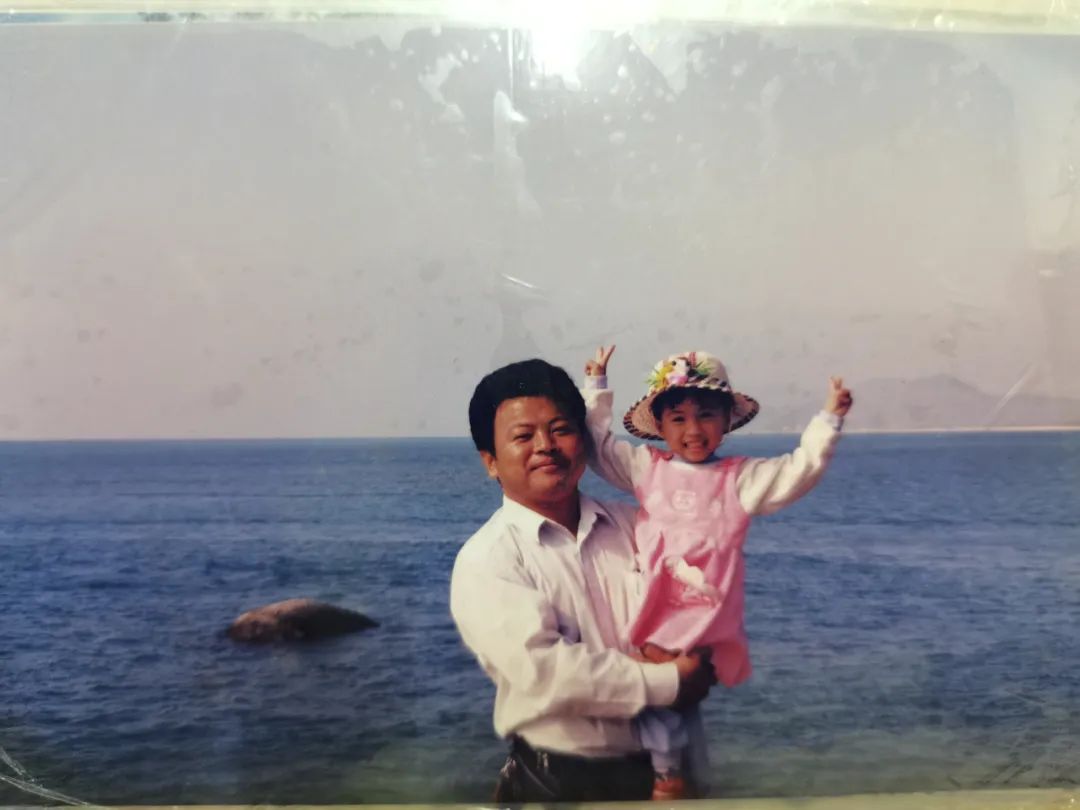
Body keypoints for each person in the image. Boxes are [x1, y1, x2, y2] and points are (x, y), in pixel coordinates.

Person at [581, 345, 854, 800]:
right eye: (678, 419)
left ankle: (667, 776)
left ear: (727, 421)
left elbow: (800, 470)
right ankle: (672, 773)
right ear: (660, 426)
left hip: (700, 612)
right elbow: (598, 448)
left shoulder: (739, 480)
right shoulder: (648, 469)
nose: (693, 430)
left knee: (665, 690)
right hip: (649, 604)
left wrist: (828, 420)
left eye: (706, 415)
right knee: (664, 696)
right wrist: (596, 387)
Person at [450, 358, 718, 803]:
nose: (545, 446)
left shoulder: (639, 526)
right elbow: (545, 674)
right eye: (523, 436)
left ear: (584, 440)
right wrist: (670, 681)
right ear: (490, 462)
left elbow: (704, 601)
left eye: (560, 429)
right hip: (557, 783)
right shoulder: (487, 560)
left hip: (675, 777)